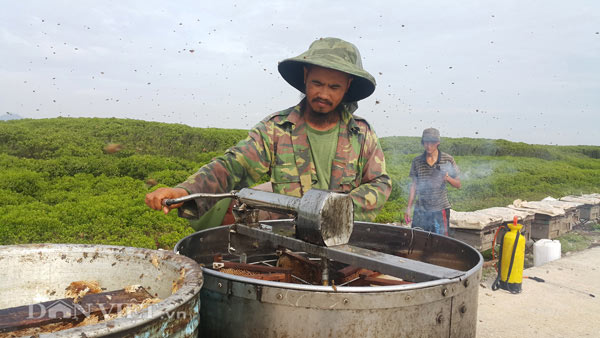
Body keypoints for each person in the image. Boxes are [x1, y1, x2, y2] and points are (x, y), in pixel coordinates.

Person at [145, 37, 392, 227]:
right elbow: (232, 165)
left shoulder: (361, 133)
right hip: (288, 243)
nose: (324, 94)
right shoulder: (276, 129)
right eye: (317, 83)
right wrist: (184, 191)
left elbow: (380, 183)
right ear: (306, 77)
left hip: (343, 241)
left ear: (348, 86)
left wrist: (337, 210)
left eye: (334, 86)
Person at [405, 128, 461, 235]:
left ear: (438, 143)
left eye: (432, 142)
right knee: (417, 239)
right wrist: (408, 208)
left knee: (440, 242)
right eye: (426, 142)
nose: (429, 145)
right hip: (421, 209)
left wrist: (448, 178)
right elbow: (414, 186)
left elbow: (458, 184)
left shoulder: (447, 159)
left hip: (440, 210)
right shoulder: (417, 161)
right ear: (423, 142)